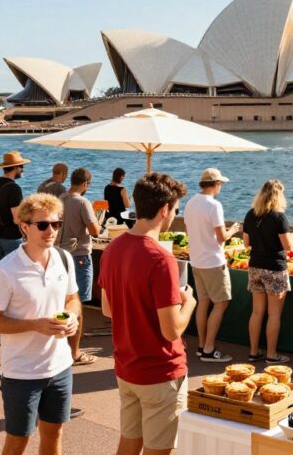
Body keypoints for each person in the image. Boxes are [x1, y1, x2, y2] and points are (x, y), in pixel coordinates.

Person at [99, 173, 196, 455]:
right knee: (159, 449)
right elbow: (171, 331)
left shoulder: (113, 248)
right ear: (164, 209)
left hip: (127, 366)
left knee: (128, 443)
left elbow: (107, 309)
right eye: (175, 210)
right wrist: (189, 302)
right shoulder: (160, 258)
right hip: (159, 370)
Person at [0, 194, 80, 455]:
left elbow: (73, 299)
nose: (51, 231)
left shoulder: (63, 258)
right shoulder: (6, 270)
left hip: (59, 367)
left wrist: (72, 317)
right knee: (18, 441)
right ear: (24, 227)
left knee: (54, 433)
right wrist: (35, 325)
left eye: (56, 224)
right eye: (42, 225)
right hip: (21, 372)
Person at [183, 168, 241, 363]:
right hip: (213, 262)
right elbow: (221, 238)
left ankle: (201, 346)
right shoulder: (214, 205)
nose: (221, 186)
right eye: (220, 183)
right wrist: (232, 229)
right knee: (221, 303)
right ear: (216, 184)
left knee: (204, 302)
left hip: (197, 261)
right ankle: (208, 349)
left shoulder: (191, 203)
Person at [242, 179, 292, 364]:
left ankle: (254, 352)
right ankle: (271, 355)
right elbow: (288, 246)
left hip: (255, 266)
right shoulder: (279, 217)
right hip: (275, 269)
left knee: (256, 313)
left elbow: (246, 243)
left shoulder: (250, 214)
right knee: (274, 314)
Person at [58, 167, 101, 366]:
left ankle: (60, 347)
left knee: (59, 301)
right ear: (85, 184)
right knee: (78, 304)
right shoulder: (83, 202)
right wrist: (98, 222)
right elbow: (94, 231)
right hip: (79, 256)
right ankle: (74, 352)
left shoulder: (59, 198)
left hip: (59, 254)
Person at [0, 151, 29, 264]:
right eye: (22, 166)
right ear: (15, 168)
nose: (23, 169)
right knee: (15, 273)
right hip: (12, 238)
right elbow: (17, 219)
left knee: (1, 273)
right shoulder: (14, 188)